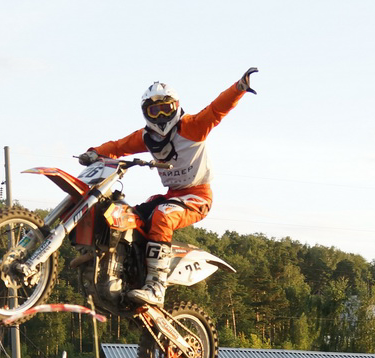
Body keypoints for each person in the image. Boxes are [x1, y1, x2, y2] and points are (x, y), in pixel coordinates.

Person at [78, 67, 258, 306]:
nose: (161, 115)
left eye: (166, 108)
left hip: (198, 196)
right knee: (125, 216)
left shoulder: (192, 127)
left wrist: (239, 88)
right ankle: (129, 271)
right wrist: (94, 152)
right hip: (171, 196)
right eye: (155, 110)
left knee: (163, 216)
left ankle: (156, 286)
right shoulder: (145, 137)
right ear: (146, 113)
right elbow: (119, 146)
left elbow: (216, 110)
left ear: (176, 107)